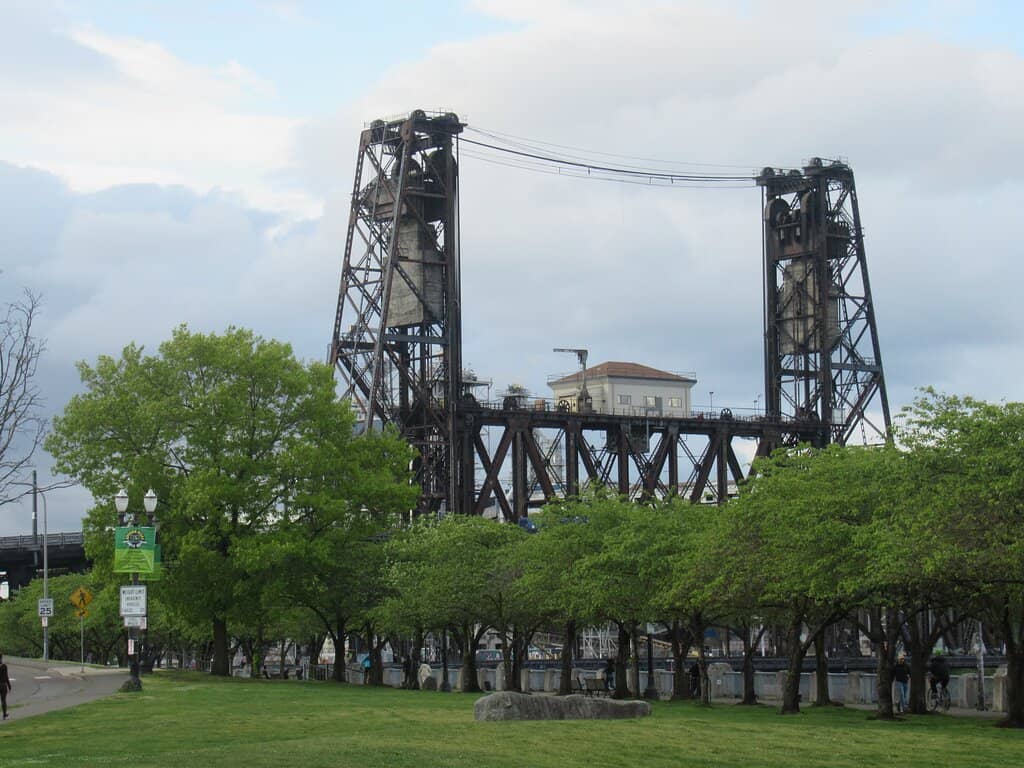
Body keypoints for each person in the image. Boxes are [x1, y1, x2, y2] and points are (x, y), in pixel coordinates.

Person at [0, 653, 11, 720]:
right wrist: (9, 686)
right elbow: (6, 677)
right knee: (3, 700)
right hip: (3, 685)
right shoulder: (4, 666)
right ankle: (4, 715)